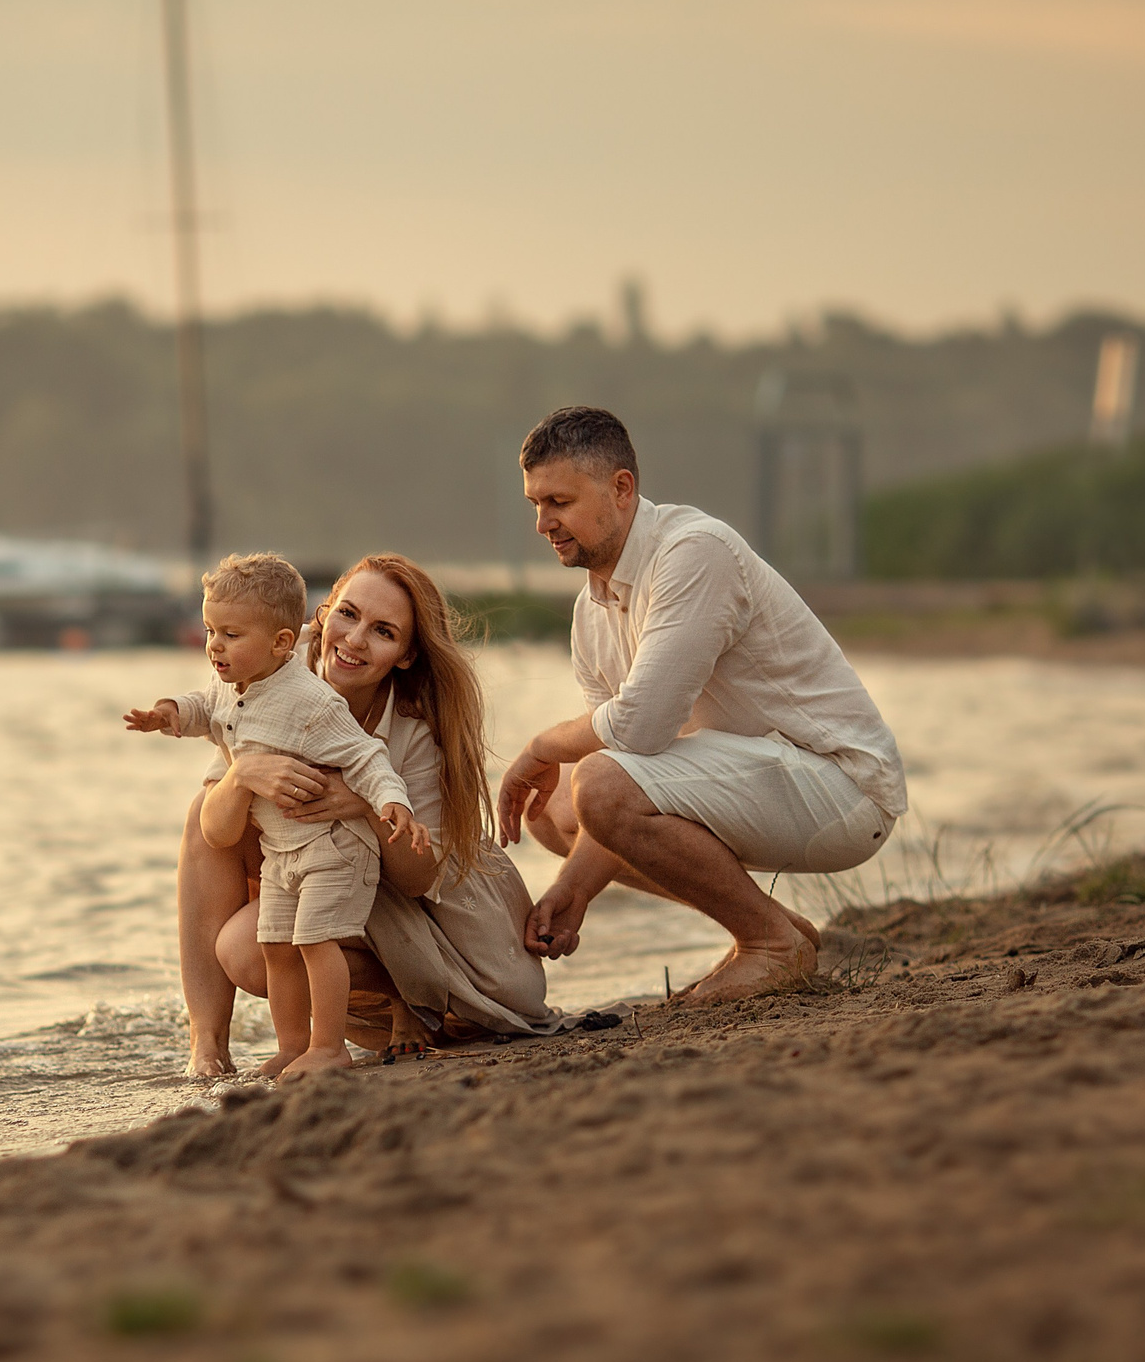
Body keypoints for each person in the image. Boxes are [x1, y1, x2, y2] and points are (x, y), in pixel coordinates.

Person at [496, 405, 907, 1003]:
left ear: (621, 489)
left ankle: (768, 944)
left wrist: (540, 746)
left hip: (841, 786)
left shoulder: (694, 552)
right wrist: (574, 889)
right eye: (536, 503)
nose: (542, 523)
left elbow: (637, 730)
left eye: (559, 501)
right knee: (551, 805)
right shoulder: (591, 612)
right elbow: (630, 762)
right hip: (760, 785)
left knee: (592, 780)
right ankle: (775, 927)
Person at [174, 553, 550, 1078]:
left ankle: (406, 993)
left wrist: (365, 803)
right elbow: (216, 829)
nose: (353, 640)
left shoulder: (416, 727)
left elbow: (417, 879)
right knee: (208, 808)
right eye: (347, 615)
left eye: (382, 631)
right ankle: (208, 1044)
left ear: (405, 654)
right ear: (322, 614)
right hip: (326, 868)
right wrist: (242, 774)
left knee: (246, 950)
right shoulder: (274, 664)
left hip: (427, 903)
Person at [127, 553, 424, 1081]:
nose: (214, 646)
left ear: (282, 642)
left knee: (310, 941)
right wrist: (170, 713)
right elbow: (204, 706)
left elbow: (367, 756)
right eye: (210, 631)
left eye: (230, 635)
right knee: (276, 946)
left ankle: (329, 1047)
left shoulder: (312, 702)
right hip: (284, 853)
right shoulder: (237, 681)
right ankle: (287, 1047)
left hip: (332, 853)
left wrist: (386, 802)